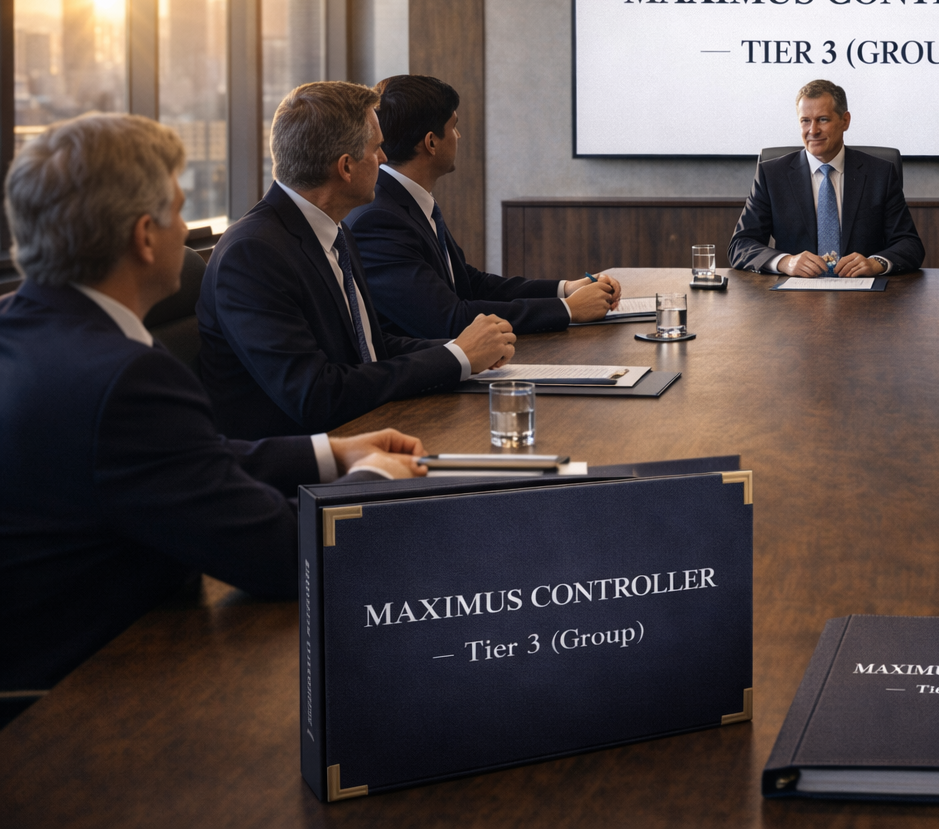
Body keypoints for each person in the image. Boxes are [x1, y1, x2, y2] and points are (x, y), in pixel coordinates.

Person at [0, 114, 427, 698]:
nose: (187, 232)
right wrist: (376, 478)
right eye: (178, 213)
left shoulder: (27, 329)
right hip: (95, 691)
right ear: (144, 237)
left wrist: (330, 454)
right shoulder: (126, 378)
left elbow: (171, 460)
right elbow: (284, 561)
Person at [198, 81, 518, 440]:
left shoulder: (333, 229)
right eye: (377, 148)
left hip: (362, 431)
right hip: (306, 462)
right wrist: (456, 356)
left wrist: (462, 350)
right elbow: (316, 395)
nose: (384, 159)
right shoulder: (252, 255)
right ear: (346, 167)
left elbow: (368, 347)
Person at [346, 75, 622, 338]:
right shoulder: (378, 219)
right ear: (431, 142)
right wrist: (568, 309)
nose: (458, 136)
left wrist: (566, 289)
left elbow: (470, 284)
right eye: (453, 126)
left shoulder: (405, 200)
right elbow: (448, 320)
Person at [728, 80, 924, 277]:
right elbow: (740, 245)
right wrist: (785, 262)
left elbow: (910, 244)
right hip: (793, 292)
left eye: (823, 120)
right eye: (805, 121)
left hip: (862, 291)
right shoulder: (771, 175)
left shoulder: (880, 174)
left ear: (845, 121)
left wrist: (876, 263)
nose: (813, 130)